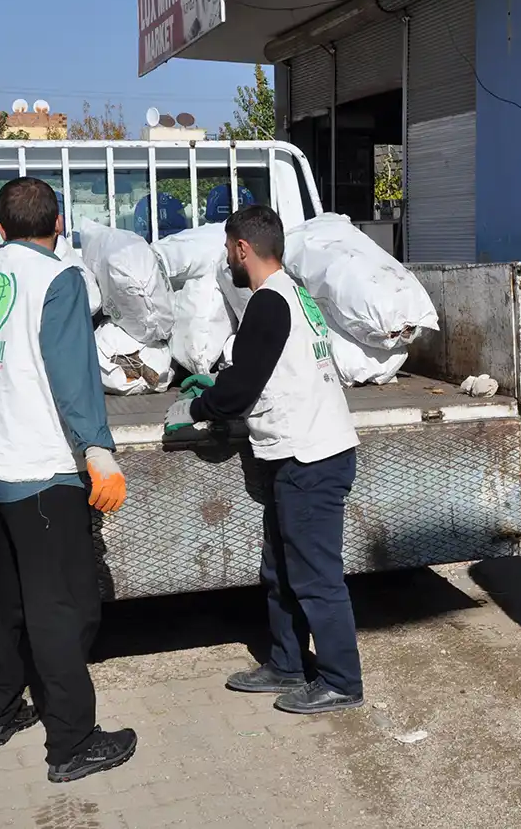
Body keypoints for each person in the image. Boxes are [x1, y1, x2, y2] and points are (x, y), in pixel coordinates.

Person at [0, 176, 136, 783]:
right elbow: (71, 374)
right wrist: (98, 453)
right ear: (59, 224)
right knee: (59, 608)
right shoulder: (58, 280)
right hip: (37, 471)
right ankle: (73, 743)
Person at [164, 205, 364, 714]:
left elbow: (239, 392)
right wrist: (221, 384)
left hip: (310, 459)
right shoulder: (293, 296)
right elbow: (263, 371)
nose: (228, 259)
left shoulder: (269, 304)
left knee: (316, 577)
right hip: (302, 453)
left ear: (241, 249)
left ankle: (341, 681)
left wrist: (193, 407)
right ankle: (287, 663)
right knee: (279, 569)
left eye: (228, 250)